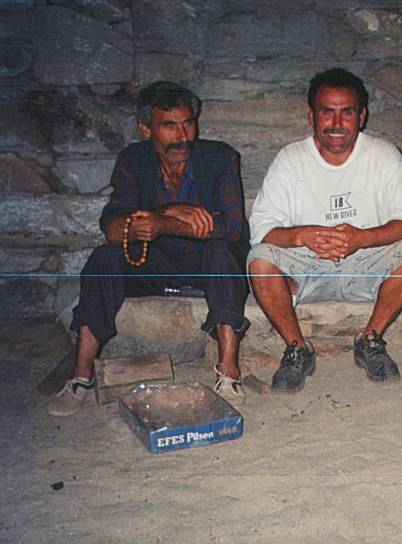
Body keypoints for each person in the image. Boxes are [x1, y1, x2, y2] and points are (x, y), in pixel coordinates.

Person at [47, 81, 251, 416]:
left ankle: (228, 371)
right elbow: (112, 228)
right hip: (154, 263)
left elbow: (229, 227)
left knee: (220, 251)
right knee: (104, 257)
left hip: (207, 266)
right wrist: (167, 212)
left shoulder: (220, 158)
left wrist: (164, 223)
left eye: (188, 123)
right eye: (169, 126)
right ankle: (81, 377)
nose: (182, 136)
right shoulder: (133, 160)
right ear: (146, 129)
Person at [248, 68, 402, 393]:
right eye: (327, 112)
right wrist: (305, 235)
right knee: (259, 258)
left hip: (366, 265)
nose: (337, 124)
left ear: (362, 116)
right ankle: (297, 348)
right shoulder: (290, 160)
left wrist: (360, 239)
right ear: (311, 115)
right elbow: (261, 230)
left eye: (347, 113)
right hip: (306, 269)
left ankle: (371, 339)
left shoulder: (384, 156)